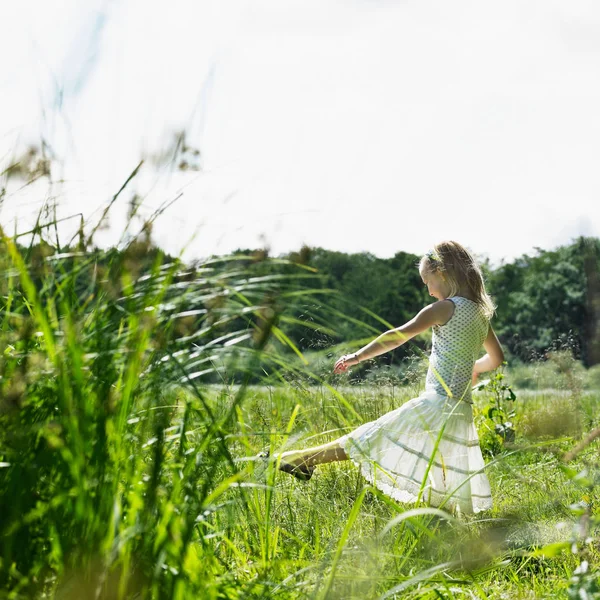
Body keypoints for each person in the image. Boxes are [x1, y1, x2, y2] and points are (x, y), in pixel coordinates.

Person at [267, 241, 504, 514]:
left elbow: (396, 336)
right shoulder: (480, 313)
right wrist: (473, 368)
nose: (426, 288)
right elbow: (496, 359)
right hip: (461, 409)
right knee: (440, 473)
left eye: (426, 281)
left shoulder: (444, 308)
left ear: (442, 273)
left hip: (437, 403)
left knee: (368, 438)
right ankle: (442, 527)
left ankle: (298, 460)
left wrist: (356, 357)